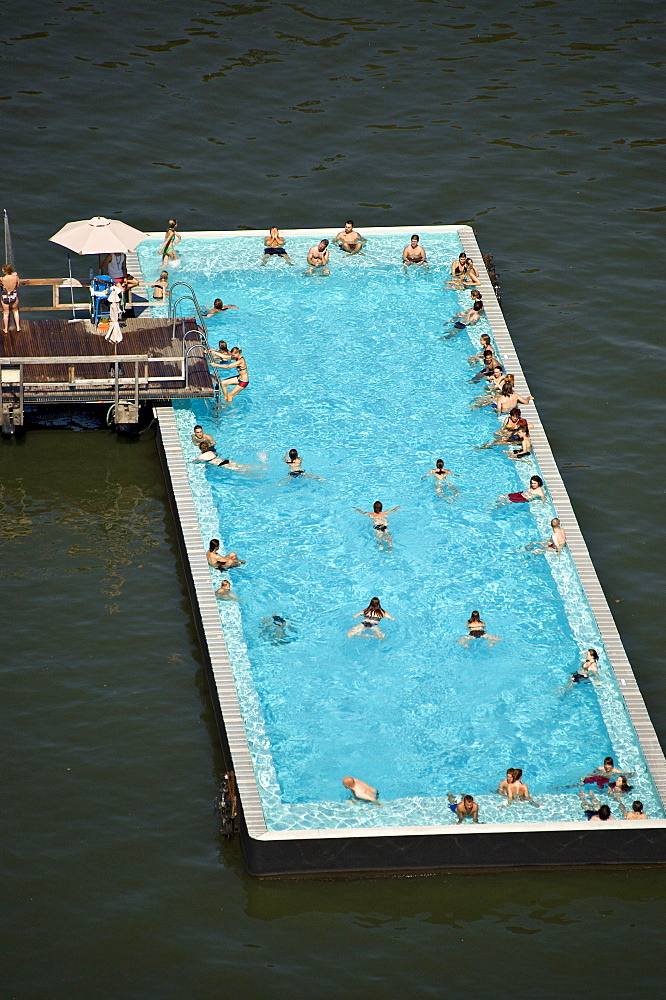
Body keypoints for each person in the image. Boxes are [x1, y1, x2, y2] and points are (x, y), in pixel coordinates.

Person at [194, 441, 260, 472]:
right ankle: (260, 467)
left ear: (200, 448)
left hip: (222, 464)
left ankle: (258, 475)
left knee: (242, 470)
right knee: (242, 465)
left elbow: (196, 461)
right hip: (225, 460)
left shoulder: (200, 457)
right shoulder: (211, 452)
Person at [1, 264, 20, 334]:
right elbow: (18, 285)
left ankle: (6, 329)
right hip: (13, 296)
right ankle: (18, 327)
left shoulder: (2, 279)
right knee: (15, 310)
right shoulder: (15, 277)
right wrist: (14, 275)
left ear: (4, 271)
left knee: (6, 313)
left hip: (5, 297)